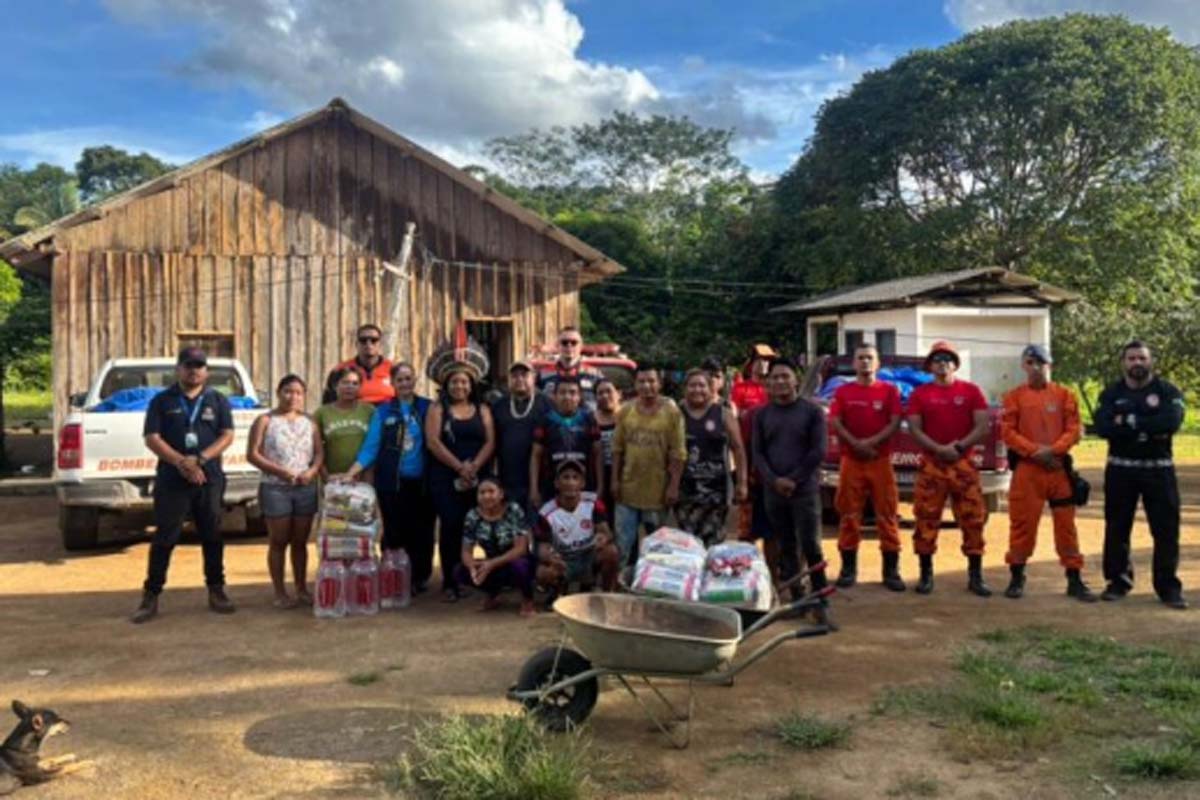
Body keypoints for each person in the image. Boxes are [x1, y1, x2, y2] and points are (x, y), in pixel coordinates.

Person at [131, 347, 237, 623]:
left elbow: (227, 435)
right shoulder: (162, 401)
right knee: (165, 537)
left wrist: (200, 460)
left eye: (199, 366)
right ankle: (151, 595)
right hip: (172, 478)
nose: (194, 370)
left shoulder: (218, 400)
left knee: (212, 535)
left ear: (206, 371)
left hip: (209, 477)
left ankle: (217, 590)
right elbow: (152, 437)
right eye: (188, 365)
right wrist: (181, 462)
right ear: (178, 369)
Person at [1094, 340, 1187, 609]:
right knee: (1117, 528)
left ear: (1151, 361)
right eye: (1132, 358)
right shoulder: (1111, 393)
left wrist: (1128, 421)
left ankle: (1168, 587)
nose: (1137, 363)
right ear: (1123, 363)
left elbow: (1171, 422)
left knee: (1166, 530)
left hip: (1158, 470)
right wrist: (1148, 426)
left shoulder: (1167, 391)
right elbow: (1103, 427)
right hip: (1121, 470)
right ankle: (1118, 582)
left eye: (1142, 358)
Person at [1000, 345, 1096, 602]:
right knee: (1022, 525)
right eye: (1030, 363)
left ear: (1049, 365)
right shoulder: (1013, 397)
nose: (1035, 368)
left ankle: (1074, 579)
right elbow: (1008, 432)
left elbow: (1074, 429)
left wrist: (1053, 451)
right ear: (1023, 366)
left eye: (1040, 363)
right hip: (1027, 470)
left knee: (1066, 526)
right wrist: (1035, 452)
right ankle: (1016, 576)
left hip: (1057, 469)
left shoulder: (1065, 395)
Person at [906, 341, 991, 597]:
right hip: (932, 465)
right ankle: (925, 575)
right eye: (937, 359)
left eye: (947, 359)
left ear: (955, 364)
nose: (942, 363)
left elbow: (982, 425)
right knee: (925, 518)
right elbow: (914, 428)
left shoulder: (971, 391)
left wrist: (959, 446)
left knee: (973, 519)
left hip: (963, 464)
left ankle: (976, 576)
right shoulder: (920, 394)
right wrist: (938, 449)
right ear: (930, 366)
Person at [346, 362, 437, 592]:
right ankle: (394, 577)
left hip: (423, 482)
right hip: (392, 483)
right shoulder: (383, 411)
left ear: (415, 380)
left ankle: (418, 578)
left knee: (423, 532)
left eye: (408, 378)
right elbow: (371, 447)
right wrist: (351, 472)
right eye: (400, 379)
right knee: (395, 531)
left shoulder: (428, 407)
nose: (405, 383)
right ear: (393, 383)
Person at [753, 358, 829, 605]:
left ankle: (820, 598)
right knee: (786, 546)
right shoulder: (762, 415)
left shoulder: (813, 412)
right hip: (774, 492)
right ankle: (798, 598)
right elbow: (758, 453)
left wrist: (794, 479)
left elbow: (818, 451)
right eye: (775, 377)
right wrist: (774, 480)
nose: (780, 381)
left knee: (811, 546)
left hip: (804, 490)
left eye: (785, 376)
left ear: (796, 380)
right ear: (768, 383)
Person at [829, 345, 905, 591]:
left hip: (880, 461)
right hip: (851, 461)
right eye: (860, 358)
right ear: (853, 363)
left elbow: (895, 422)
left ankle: (891, 571)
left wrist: (870, 444)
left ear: (878, 363)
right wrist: (856, 444)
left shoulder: (889, 391)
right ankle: (848, 569)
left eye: (870, 358)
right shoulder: (843, 391)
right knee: (849, 515)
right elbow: (836, 421)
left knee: (887, 515)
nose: (865, 362)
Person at [247, 375, 324, 609]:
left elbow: (319, 453)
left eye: (298, 393)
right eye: (288, 391)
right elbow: (252, 454)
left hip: (304, 488)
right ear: (278, 393)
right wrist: (279, 472)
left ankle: (301, 589)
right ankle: (280, 592)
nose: (293, 397)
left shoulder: (310, 421)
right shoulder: (265, 420)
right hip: (275, 488)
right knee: (278, 541)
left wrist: (312, 471)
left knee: (300, 542)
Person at [425, 358, 495, 602]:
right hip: (445, 476)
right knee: (451, 526)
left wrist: (474, 466)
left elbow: (490, 441)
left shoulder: (482, 409)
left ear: (471, 385)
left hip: (477, 476)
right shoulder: (438, 409)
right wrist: (459, 467)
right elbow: (433, 442)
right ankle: (450, 581)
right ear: (446, 385)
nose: (459, 386)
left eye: (464, 381)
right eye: (454, 382)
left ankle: (472, 576)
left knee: (475, 526)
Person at [611, 366, 687, 565]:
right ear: (635, 385)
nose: (646, 386)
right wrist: (615, 481)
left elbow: (678, 453)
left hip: (657, 493)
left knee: (656, 550)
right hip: (627, 491)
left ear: (659, 384)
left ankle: (649, 581)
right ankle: (621, 581)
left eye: (651, 381)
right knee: (623, 546)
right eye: (642, 381)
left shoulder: (671, 412)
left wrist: (673, 486)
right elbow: (617, 449)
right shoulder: (625, 411)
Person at [677, 369, 748, 546]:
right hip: (684, 491)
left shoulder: (723, 414)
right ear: (685, 389)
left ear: (710, 388)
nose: (697, 389)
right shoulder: (676, 414)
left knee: (713, 541)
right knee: (688, 544)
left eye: (701, 385)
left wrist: (742, 482)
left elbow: (738, 449)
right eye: (692, 385)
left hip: (717, 491)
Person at [535, 460, 620, 594]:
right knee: (542, 572)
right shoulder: (546, 512)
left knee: (611, 552)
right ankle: (557, 592)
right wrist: (550, 557)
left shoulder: (593, 503)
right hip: (563, 559)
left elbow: (606, 532)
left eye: (575, 478)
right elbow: (542, 546)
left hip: (588, 556)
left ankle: (606, 593)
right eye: (566, 477)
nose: (571, 482)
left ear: (582, 483)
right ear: (557, 483)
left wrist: (602, 538)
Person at [456, 477, 536, 616]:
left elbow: (521, 549)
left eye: (491, 491)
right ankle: (493, 594)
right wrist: (472, 567)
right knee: (460, 571)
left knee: (520, 566)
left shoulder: (513, 510)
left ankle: (527, 599)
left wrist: (491, 564)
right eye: (482, 492)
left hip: (514, 560)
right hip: (491, 562)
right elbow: (466, 551)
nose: (486, 496)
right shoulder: (472, 516)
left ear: (501, 494)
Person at [530, 377, 602, 509]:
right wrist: (534, 489)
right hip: (552, 486)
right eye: (562, 392)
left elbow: (598, 453)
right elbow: (536, 456)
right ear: (554, 396)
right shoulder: (545, 420)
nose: (567, 396)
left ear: (579, 397)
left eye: (572, 392)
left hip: (584, 485)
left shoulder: (588, 419)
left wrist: (600, 486)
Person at [491, 360, 552, 513]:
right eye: (514, 376)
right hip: (508, 478)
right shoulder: (499, 406)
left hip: (540, 480)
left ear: (534, 377)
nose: (519, 379)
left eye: (524, 375)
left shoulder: (547, 404)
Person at [315, 368, 375, 478]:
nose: (350, 387)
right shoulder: (322, 413)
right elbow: (315, 449)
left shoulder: (370, 411)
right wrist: (326, 476)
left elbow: (374, 446)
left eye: (355, 383)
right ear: (335, 385)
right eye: (345, 382)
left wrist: (367, 476)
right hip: (333, 478)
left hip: (364, 477)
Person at [539, 325, 603, 409]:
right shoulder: (543, 374)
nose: (569, 346)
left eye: (574, 343)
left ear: (581, 346)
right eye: (564, 342)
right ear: (558, 346)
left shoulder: (595, 374)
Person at [334, 323, 395, 405]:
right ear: (356, 344)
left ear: (380, 344)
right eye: (363, 340)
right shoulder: (342, 369)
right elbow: (330, 400)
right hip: (355, 410)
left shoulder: (393, 369)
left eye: (374, 340)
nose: (368, 344)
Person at [594, 378, 622, 525]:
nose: (604, 396)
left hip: (624, 475)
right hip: (599, 474)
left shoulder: (628, 417)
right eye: (600, 393)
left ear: (619, 394)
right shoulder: (591, 419)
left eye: (609, 391)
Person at [731, 343, 777, 414]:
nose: (762, 362)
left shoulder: (776, 387)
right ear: (751, 363)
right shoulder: (739, 388)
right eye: (758, 358)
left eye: (767, 359)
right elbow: (734, 414)